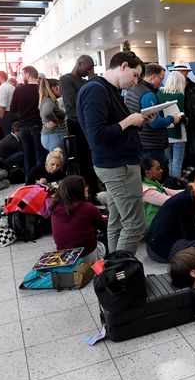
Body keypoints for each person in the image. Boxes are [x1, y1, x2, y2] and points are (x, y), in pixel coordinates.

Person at [76, 50, 153, 255]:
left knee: (118, 220)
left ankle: (114, 267)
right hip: (117, 165)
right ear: (124, 66)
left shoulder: (108, 90)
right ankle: (122, 274)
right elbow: (97, 135)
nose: (135, 82)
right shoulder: (96, 90)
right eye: (135, 75)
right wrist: (129, 121)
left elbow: (112, 127)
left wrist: (138, 122)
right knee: (135, 223)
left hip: (117, 163)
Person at [125, 63, 179, 169]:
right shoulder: (148, 95)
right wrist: (172, 119)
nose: (162, 82)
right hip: (152, 144)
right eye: (161, 78)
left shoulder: (132, 89)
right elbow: (155, 122)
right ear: (153, 77)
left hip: (140, 141)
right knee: (155, 177)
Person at [59, 55, 98, 197]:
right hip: (76, 122)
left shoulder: (83, 81)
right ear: (79, 63)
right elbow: (72, 101)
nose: (88, 72)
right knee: (83, 159)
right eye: (87, 69)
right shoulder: (66, 80)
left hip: (87, 121)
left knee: (91, 157)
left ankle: (94, 189)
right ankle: (87, 191)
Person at [50, 175, 107, 264]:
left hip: (65, 257)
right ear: (78, 190)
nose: (87, 188)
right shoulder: (88, 208)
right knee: (110, 235)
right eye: (84, 186)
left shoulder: (54, 207)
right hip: (87, 256)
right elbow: (104, 227)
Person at [10, 66, 47, 176]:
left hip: (23, 125)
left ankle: (30, 180)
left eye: (23, 75)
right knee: (40, 153)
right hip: (38, 125)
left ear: (28, 75)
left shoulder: (19, 90)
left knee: (28, 154)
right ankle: (41, 178)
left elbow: (13, 109)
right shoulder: (42, 89)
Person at [170, 64, 195, 166]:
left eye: (182, 72)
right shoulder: (171, 89)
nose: (180, 74)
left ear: (186, 73)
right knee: (181, 158)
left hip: (194, 126)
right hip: (178, 127)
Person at [157, 70, 187, 178]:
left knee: (169, 162)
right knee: (177, 164)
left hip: (164, 131)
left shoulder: (159, 93)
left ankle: (170, 186)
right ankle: (176, 186)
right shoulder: (179, 95)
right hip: (178, 132)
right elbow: (181, 114)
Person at [141, 157, 180, 235]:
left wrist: (193, 190)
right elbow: (171, 201)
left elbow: (173, 192)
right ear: (148, 173)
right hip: (152, 226)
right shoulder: (146, 190)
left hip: (158, 221)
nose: (161, 171)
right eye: (158, 169)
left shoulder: (154, 183)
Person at [38, 77, 67, 154]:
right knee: (58, 163)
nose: (62, 89)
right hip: (54, 136)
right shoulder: (49, 101)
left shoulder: (48, 100)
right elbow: (47, 112)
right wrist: (56, 122)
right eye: (59, 86)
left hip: (52, 136)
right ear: (54, 88)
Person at [0, 70, 17, 139]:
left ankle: (11, 148)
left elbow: (2, 105)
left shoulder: (2, 88)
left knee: (8, 134)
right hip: (14, 113)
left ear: (0, 77)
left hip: (6, 114)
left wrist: (1, 117)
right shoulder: (11, 87)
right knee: (15, 133)